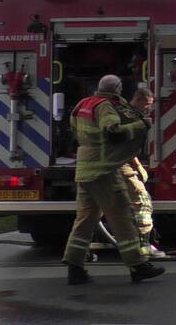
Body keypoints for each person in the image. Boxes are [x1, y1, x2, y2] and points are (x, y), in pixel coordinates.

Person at [61, 74, 165, 284]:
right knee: (122, 216)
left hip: (84, 170)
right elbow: (113, 132)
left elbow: (74, 130)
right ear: (117, 89)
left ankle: (75, 268)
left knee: (84, 220)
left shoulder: (82, 104)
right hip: (104, 170)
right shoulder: (106, 106)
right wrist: (141, 125)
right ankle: (137, 265)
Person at [116, 87, 165, 259]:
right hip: (120, 165)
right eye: (147, 105)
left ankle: (83, 251)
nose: (148, 109)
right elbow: (126, 146)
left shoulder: (121, 113)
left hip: (106, 166)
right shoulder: (131, 118)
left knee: (95, 211)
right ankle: (143, 247)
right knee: (143, 203)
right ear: (138, 100)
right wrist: (137, 166)